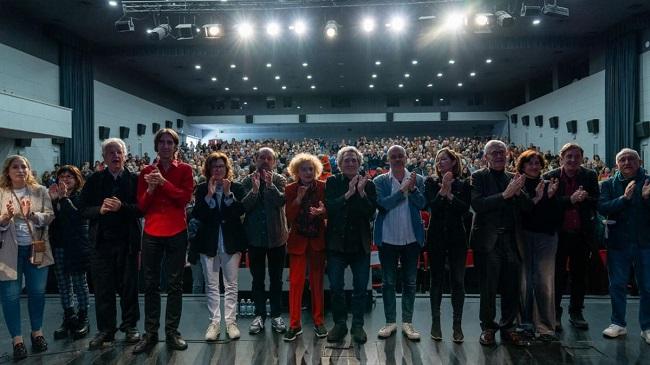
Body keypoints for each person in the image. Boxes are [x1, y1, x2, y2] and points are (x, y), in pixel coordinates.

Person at [134, 128, 194, 353]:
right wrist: (150, 188)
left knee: (175, 285)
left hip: (177, 231)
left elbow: (184, 199)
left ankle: (172, 333)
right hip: (152, 232)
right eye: (162, 142)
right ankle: (150, 334)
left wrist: (163, 183)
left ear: (176, 147)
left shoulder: (186, 170)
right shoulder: (146, 172)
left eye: (170, 142)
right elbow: (141, 207)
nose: (166, 146)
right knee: (150, 285)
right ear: (156, 146)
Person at [81, 138, 142, 350]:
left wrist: (121, 207)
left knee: (129, 287)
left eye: (119, 152)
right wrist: (100, 210)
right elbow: (83, 210)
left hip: (127, 243)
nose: (115, 156)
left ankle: (130, 326)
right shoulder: (94, 180)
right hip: (101, 244)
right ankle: (106, 330)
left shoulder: (135, 179)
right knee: (103, 289)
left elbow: (142, 209)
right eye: (111, 153)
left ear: (125, 156)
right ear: (104, 157)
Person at [471, 140, 530, 346]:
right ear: (485, 157)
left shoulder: (513, 178)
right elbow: (478, 205)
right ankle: (488, 328)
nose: (498, 156)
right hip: (489, 241)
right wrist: (505, 195)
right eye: (494, 153)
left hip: (511, 240)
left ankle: (508, 327)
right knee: (488, 288)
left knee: (511, 287)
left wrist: (520, 191)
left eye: (502, 153)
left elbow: (526, 207)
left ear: (508, 156)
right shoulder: (478, 177)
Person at [0, 155, 55, 360]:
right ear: (8, 171)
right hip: (8, 252)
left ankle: (37, 332)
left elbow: (49, 216)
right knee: (10, 297)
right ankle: (17, 339)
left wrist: (31, 214)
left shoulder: (40, 191)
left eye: (24, 166)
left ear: (29, 170)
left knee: (37, 293)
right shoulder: (1, 193)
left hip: (36, 249)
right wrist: (5, 217)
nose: (20, 170)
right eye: (15, 167)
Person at [190, 152, 247, 341]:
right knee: (212, 285)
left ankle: (231, 322)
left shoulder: (236, 187)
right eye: (214, 166)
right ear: (208, 169)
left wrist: (229, 195)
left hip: (231, 242)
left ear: (226, 168)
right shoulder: (201, 189)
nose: (218, 169)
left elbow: (239, 212)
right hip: (209, 243)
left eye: (221, 166)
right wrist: (209, 195)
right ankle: (214, 322)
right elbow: (197, 214)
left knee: (231, 284)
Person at [543, 143, 599, 331]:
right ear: (561, 158)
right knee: (557, 276)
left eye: (576, 156)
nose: (573, 160)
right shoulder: (549, 177)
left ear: (582, 158)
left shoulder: (590, 176)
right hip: (558, 235)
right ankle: (555, 313)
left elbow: (596, 202)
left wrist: (584, 199)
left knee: (579, 276)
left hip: (581, 234)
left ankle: (576, 312)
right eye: (569, 156)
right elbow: (546, 206)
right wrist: (570, 200)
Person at [373, 145, 426, 341]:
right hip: (387, 238)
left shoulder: (418, 179)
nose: (397, 159)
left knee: (410, 282)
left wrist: (412, 190)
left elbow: (422, 204)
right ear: (388, 160)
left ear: (406, 158)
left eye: (400, 156)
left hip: (411, 239)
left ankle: (407, 322)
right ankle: (390, 322)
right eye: (393, 156)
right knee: (388, 282)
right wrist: (403, 190)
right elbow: (383, 204)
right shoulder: (379, 181)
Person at [325, 146, 377, 344]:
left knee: (360, 289)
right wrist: (348, 193)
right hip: (337, 244)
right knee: (336, 287)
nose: (350, 163)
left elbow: (370, 213)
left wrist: (361, 192)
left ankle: (357, 325)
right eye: (346, 160)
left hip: (360, 245)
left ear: (359, 163)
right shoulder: (332, 181)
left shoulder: (369, 184)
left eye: (354, 160)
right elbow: (330, 208)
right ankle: (339, 324)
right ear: (339, 163)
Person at [597, 148, 650, 343]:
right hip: (618, 243)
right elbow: (602, 207)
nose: (627, 162)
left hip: (645, 243)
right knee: (617, 285)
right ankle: (618, 324)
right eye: (623, 159)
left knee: (647, 286)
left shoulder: (649, 181)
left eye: (631, 159)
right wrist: (624, 199)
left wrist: (647, 198)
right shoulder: (608, 184)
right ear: (616, 163)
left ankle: (647, 327)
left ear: (640, 162)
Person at [425, 148, 471, 343]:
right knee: (436, 281)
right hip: (436, 236)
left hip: (457, 237)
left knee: (458, 281)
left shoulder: (464, 183)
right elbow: (431, 207)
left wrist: (450, 194)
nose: (440, 162)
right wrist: (442, 191)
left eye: (444, 159)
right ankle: (436, 323)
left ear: (453, 162)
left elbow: (464, 209)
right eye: (438, 159)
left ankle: (457, 324)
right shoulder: (430, 182)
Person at [241, 147, 288, 335]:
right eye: (262, 157)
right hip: (255, 239)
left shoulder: (280, 179)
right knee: (257, 279)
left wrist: (269, 186)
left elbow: (280, 202)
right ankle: (259, 315)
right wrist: (254, 191)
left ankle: (276, 315)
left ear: (274, 161)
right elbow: (243, 206)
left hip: (277, 237)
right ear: (255, 159)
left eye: (269, 158)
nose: (265, 160)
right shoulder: (246, 180)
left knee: (276, 280)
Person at [516, 150, 561, 341]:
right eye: (530, 163)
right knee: (524, 282)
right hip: (523, 235)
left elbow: (556, 214)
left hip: (546, 236)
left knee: (544, 282)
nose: (534, 166)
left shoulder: (550, 184)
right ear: (522, 166)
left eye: (537, 163)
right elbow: (520, 212)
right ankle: (525, 324)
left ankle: (545, 327)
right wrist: (535, 199)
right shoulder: (518, 183)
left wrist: (550, 197)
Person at [284, 153, 327, 341]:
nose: (308, 172)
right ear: (296, 172)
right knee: (295, 283)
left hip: (317, 241)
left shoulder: (324, 187)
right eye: (304, 169)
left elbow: (329, 212)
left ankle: (319, 322)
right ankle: (294, 324)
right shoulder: (290, 189)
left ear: (316, 170)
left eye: (311, 169)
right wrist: (298, 199)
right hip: (298, 241)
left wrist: (323, 212)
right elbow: (289, 216)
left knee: (317, 283)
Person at [48, 165, 91, 341]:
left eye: (69, 177)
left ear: (77, 179)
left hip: (76, 245)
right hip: (59, 245)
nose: (65, 180)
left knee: (79, 283)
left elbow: (75, 217)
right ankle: (69, 317)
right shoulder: (53, 197)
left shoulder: (81, 196)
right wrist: (52, 201)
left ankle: (83, 317)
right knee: (64, 285)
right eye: (62, 177)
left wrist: (64, 198)